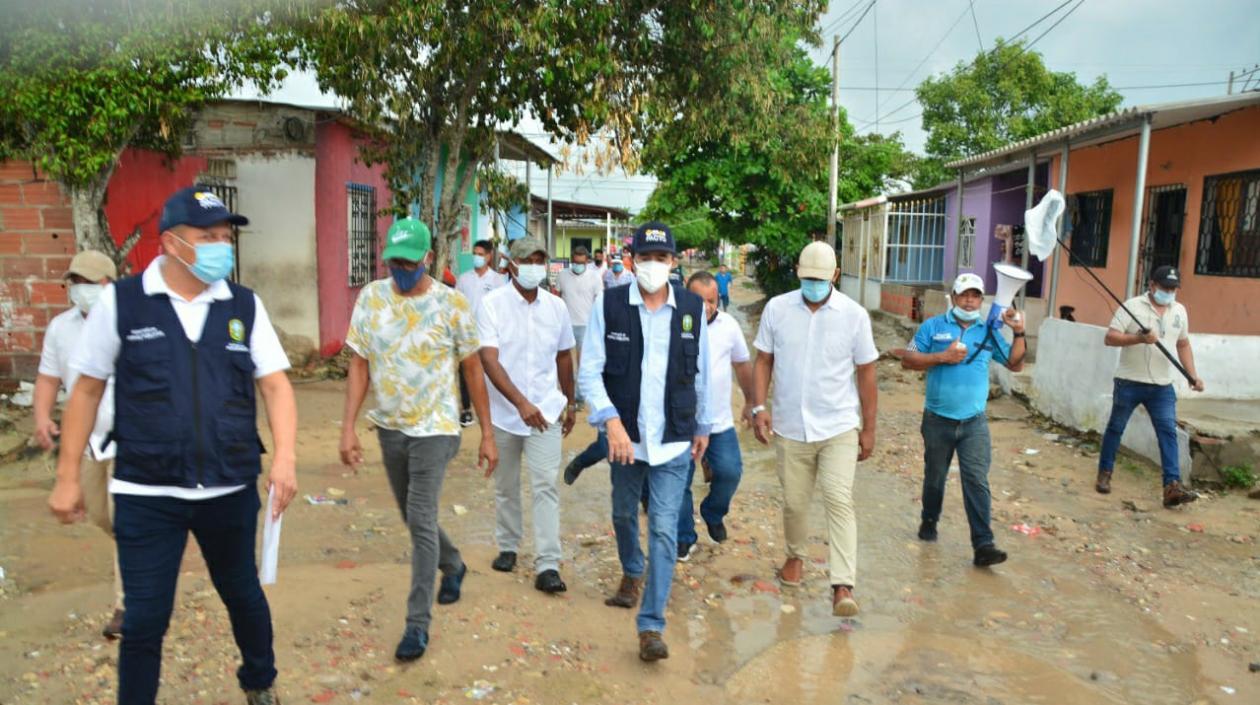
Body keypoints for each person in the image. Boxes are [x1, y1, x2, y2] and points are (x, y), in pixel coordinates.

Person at [48, 186, 298, 705]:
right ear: (170, 243)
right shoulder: (124, 302)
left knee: (243, 596)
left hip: (227, 485)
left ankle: (259, 681)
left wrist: (286, 458)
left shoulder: (243, 305)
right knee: (144, 618)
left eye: (225, 235)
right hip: (146, 488)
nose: (220, 246)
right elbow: (87, 388)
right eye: (207, 236)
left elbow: (274, 384)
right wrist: (68, 476)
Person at [339, 218, 498, 663]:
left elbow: (472, 369)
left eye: (409, 262)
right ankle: (454, 563)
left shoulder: (452, 304)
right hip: (391, 427)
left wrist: (487, 432)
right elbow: (358, 365)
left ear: (428, 258)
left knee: (420, 517)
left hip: (437, 427)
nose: (401, 269)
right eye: (394, 262)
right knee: (413, 518)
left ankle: (417, 625)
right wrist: (347, 426)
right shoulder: (371, 298)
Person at [578, 221, 711, 662]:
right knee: (621, 513)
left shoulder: (692, 308)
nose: (653, 266)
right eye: (645, 258)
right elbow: (589, 372)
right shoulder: (610, 305)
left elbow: (702, 374)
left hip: (673, 442)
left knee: (664, 529)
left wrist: (703, 427)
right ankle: (632, 570)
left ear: (674, 262)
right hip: (625, 442)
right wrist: (610, 422)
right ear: (631, 260)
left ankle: (651, 625)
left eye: (662, 258)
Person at [750, 241, 877, 618]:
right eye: (808, 279)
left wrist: (869, 429)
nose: (814, 285)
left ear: (835, 276)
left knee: (839, 499)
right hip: (790, 426)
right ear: (798, 275)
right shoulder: (777, 309)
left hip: (838, 425)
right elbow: (763, 361)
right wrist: (759, 407)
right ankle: (795, 557)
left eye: (821, 280)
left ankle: (842, 585)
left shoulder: (854, 316)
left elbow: (867, 375)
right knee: (794, 502)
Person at [900, 272, 1025, 567]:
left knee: (976, 481)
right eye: (965, 295)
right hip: (937, 420)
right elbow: (908, 359)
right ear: (954, 297)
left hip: (974, 423)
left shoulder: (989, 331)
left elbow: (1015, 365)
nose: (970, 301)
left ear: (982, 301)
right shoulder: (932, 326)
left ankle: (983, 544)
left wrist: (1018, 331)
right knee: (935, 479)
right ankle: (929, 523)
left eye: (976, 296)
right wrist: (940, 357)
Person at [477, 237, 576, 591]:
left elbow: (564, 356)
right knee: (505, 486)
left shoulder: (556, 308)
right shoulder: (491, 305)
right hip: (505, 414)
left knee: (545, 484)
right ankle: (508, 545)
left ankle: (547, 563)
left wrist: (571, 400)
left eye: (539, 259)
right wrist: (519, 403)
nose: (534, 265)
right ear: (510, 264)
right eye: (527, 259)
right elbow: (488, 359)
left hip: (546, 411)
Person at [33, 250, 122, 638]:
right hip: (85, 444)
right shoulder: (60, 328)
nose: (79, 290)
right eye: (75, 283)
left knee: (126, 521)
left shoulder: (127, 321)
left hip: (129, 441)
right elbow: (49, 378)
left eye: (87, 283)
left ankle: (126, 604)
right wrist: (41, 418)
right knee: (102, 517)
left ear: (108, 284)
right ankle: (149, 559)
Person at [1096, 265, 1204, 507]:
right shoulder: (1132, 306)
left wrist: (1191, 375)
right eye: (1165, 287)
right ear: (1152, 285)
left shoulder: (1179, 311)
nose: (1169, 292)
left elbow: (1183, 344)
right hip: (1129, 381)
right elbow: (1110, 338)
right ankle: (1105, 473)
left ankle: (1171, 486)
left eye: (1173, 288)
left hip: (1162, 386)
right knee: (1116, 427)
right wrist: (1139, 339)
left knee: (1167, 432)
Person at [675, 271, 755, 560]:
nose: (706, 306)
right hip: (680, 422)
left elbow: (743, 365)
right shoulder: (671, 322)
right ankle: (684, 537)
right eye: (699, 300)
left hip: (719, 422)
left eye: (711, 300)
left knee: (730, 471)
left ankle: (713, 511)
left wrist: (751, 402)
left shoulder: (729, 326)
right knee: (679, 481)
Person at [456, 240, 508, 427]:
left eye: (480, 254)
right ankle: (467, 410)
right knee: (465, 371)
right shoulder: (464, 279)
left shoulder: (498, 280)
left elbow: (502, 308)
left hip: (489, 334)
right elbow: (457, 305)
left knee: (490, 369)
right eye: (474, 253)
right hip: (467, 333)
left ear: (488, 256)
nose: (476, 257)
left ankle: (492, 408)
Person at [555, 246, 603, 403]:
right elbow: (556, 296)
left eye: (581, 262)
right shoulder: (562, 275)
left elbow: (599, 301)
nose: (578, 265)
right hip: (565, 325)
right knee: (566, 363)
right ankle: (568, 395)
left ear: (587, 261)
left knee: (582, 363)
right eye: (575, 262)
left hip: (586, 325)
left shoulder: (594, 277)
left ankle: (580, 396)